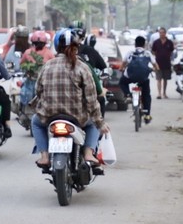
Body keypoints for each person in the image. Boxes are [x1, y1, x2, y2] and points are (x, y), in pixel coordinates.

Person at [32, 28, 108, 168]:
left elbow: (38, 91)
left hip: (49, 116)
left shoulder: (47, 66)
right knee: (93, 123)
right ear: (77, 47)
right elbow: (91, 100)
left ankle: (44, 156)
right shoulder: (82, 67)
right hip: (77, 117)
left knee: (35, 122)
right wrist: (100, 123)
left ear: (57, 47)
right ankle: (88, 153)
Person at [120, 34, 155, 123]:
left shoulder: (130, 53)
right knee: (146, 94)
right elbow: (156, 66)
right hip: (143, 78)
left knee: (122, 82)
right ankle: (147, 115)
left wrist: (122, 69)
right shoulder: (147, 53)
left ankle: (128, 95)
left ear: (135, 44)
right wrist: (153, 69)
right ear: (144, 44)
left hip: (130, 77)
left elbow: (123, 64)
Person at [150, 26, 176, 99]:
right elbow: (153, 51)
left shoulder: (169, 42)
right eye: (160, 33)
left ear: (165, 33)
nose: (161, 34)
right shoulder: (156, 42)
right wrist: (157, 56)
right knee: (159, 79)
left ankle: (164, 93)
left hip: (167, 63)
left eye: (163, 33)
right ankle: (159, 93)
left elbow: (171, 51)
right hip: (158, 63)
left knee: (165, 79)